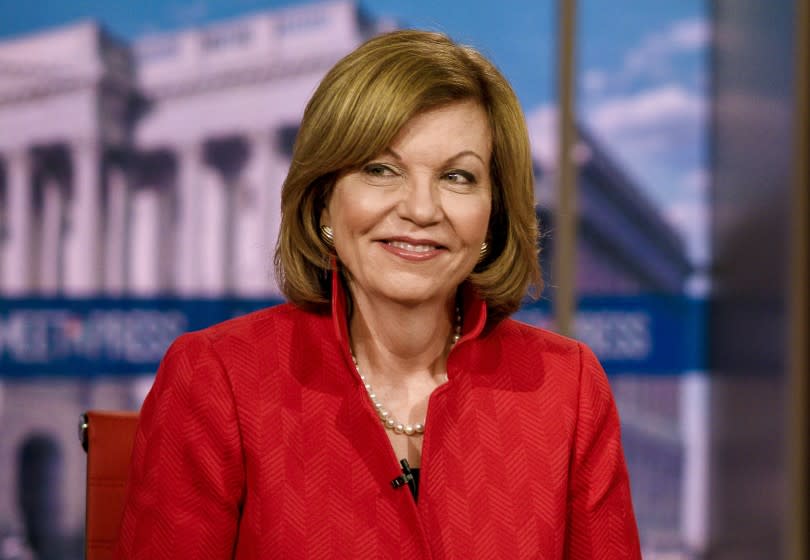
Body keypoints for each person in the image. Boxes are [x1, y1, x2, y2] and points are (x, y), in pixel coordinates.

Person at [115, 30, 641, 559]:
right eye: (380, 169)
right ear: (323, 201)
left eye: (457, 176)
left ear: (493, 214)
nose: (420, 208)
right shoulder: (217, 378)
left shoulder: (566, 387)